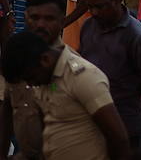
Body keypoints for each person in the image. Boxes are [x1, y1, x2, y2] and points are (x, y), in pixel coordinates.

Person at [0, 28, 131, 160]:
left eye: (31, 78)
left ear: (45, 59)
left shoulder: (83, 77)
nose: (32, 84)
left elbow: (118, 138)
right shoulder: (44, 78)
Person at [78, 0, 141, 149]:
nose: (94, 13)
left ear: (117, 0)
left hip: (124, 120)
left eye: (100, 7)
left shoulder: (136, 35)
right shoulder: (89, 26)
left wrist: (129, 92)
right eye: (90, 7)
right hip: (89, 118)